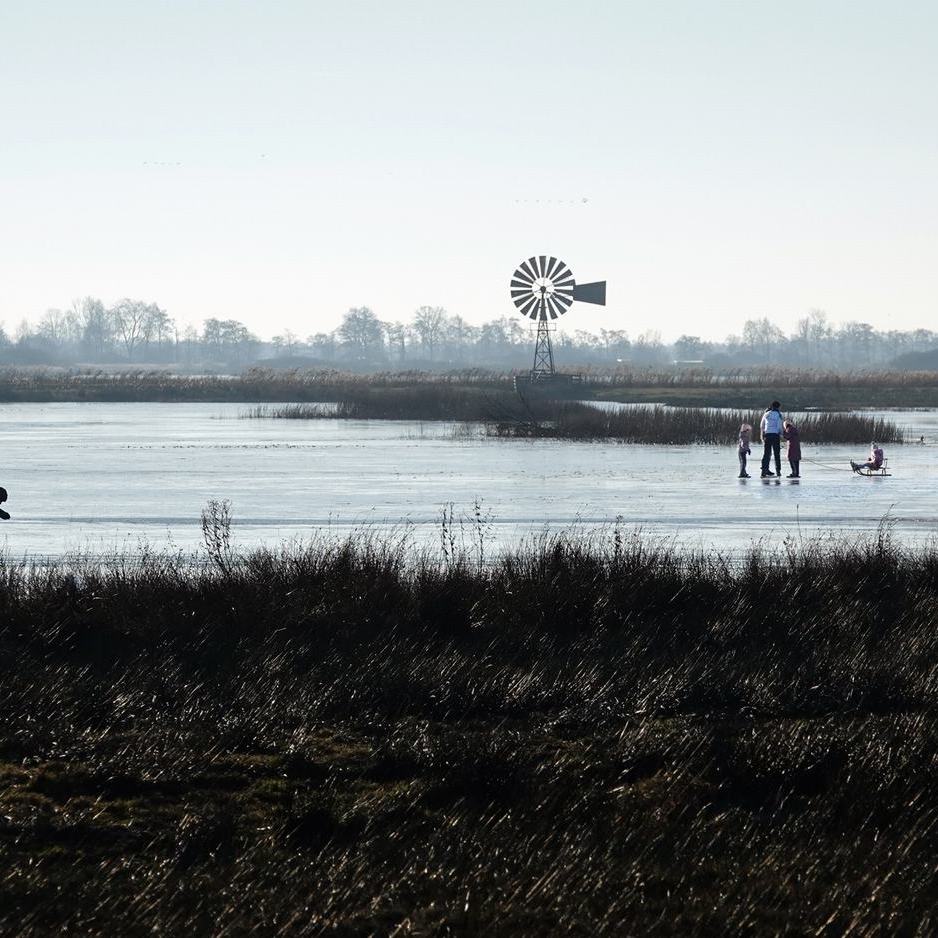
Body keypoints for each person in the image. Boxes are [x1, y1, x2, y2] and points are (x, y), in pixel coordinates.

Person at [759, 401, 784, 478]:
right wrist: (781, 434)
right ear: (778, 407)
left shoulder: (766, 414)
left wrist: (762, 434)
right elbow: (779, 426)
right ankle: (778, 471)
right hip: (775, 435)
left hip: (767, 435)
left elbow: (761, 425)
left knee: (766, 454)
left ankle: (764, 471)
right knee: (777, 454)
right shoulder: (779, 415)